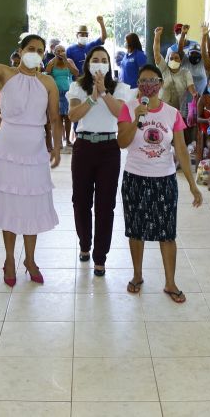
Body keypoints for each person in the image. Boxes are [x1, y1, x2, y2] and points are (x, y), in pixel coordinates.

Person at [0, 7, 61, 287]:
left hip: (34, 151)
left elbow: (55, 118)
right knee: (10, 204)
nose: (36, 52)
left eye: (41, 50)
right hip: (8, 149)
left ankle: (30, 259)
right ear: (20, 51)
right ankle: (10, 258)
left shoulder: (48, 82)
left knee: (31, 205)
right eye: (31, 48)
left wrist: (56, 147)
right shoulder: (5, 73)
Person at [117, 64, 202, 302]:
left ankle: (170, 282)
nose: (148, 85)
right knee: (136, 231)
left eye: (152, 80)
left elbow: (182, 151)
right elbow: (121, 143)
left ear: (160, 84)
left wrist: (193, 185)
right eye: (143, 81)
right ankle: (137, 275)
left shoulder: (172, 113)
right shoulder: (129, 108)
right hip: (135, 177)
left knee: (167, 233)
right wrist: (136, 119)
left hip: (164, 179)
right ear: (138, 84)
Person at [67, 46, 129, 276]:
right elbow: (73, 115)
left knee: (106, 205)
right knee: (80, 201)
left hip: (109, 149)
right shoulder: (77, 86)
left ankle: (100, 256)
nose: (100, 63)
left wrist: (104, 92)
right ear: (88, 63)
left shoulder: (120, 87)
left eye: (104, 60)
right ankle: (85, 244)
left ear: (109, 64)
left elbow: (119, 113)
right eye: (95, 60)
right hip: (83, 146)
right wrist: (92, 97)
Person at [152, 27, 196, 112]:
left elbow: (191, 86)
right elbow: (156, 53)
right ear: (167, 60)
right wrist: (157, 35)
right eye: (171, 58)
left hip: (179, 111)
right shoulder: (164, 69)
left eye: (176, 58)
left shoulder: (185, 73)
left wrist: (194, 93)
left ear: (180, 61)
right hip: (161, 109)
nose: (173, 60)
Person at [45, 44, 79, 148]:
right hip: (56, 93)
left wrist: (66, 61)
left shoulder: (69, 61)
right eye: (58, 51)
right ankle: (59, 141)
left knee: (68, 118)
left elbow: (76, 73)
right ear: (54, 52)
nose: (60, 53)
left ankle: (68, 140)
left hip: (68, 93)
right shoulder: (51, 62)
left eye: (62, 51)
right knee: (58, 118)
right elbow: (46, 74)